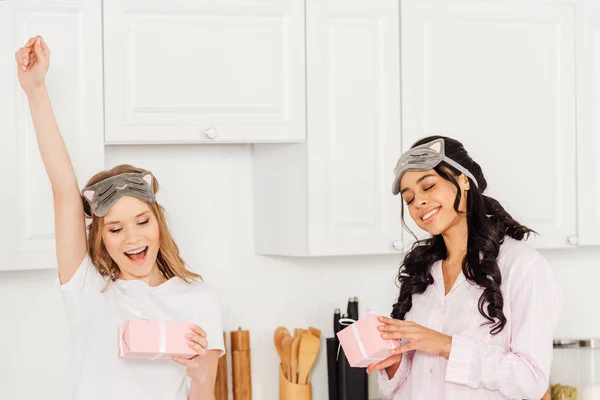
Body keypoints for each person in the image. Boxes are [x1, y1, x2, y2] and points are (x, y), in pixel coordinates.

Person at [15, 35, 224, 400]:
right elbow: (64, 188)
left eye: (143, 221)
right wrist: (35, 89)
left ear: (159, 222)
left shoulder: (199, 299)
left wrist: (201, 373)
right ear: (101, 238)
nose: (132, 238)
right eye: (115, 228)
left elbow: (202, 394)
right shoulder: (88, 289)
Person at [367, 136, 562, 399]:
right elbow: (411, 381)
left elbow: (531, 380)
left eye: (429, 186)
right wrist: (393, 364)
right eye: (410, 198)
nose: (419, 203)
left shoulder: (522, 266)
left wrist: (446, 345)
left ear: (463, 180)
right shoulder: (422, 273)